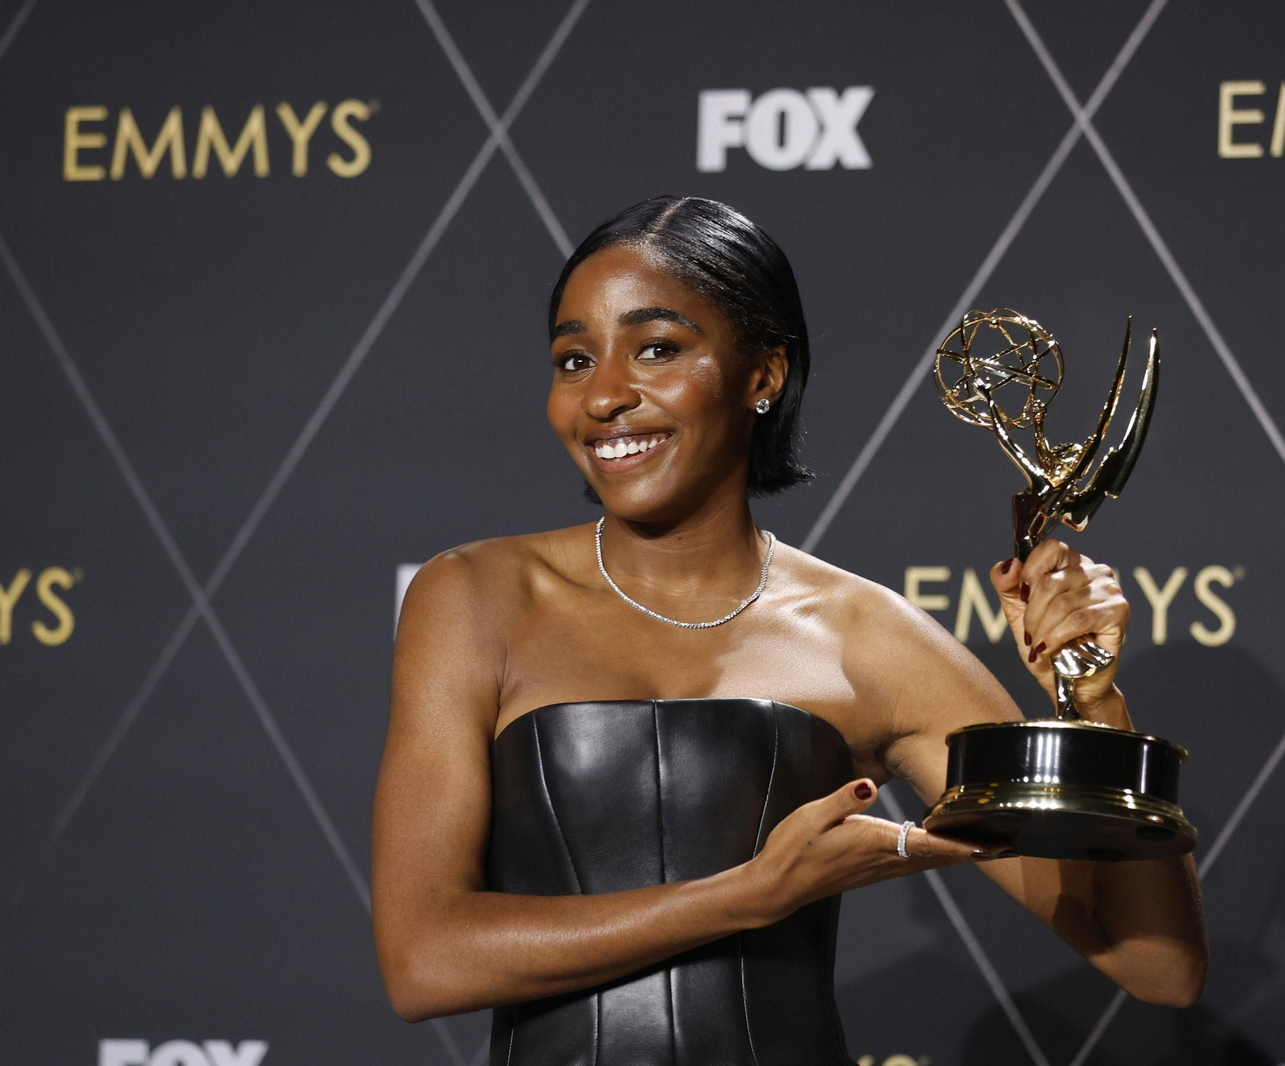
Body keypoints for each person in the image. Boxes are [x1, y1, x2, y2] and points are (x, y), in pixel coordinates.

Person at [371, 195, 1207, 1063]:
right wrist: (752, 894)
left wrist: (1096, 703)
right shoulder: (471, 597)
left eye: (658, 348)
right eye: (574, 359)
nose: (607, 395)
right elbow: (423, 961)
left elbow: (1159, 967)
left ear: (764, 374)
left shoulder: (867, 637)